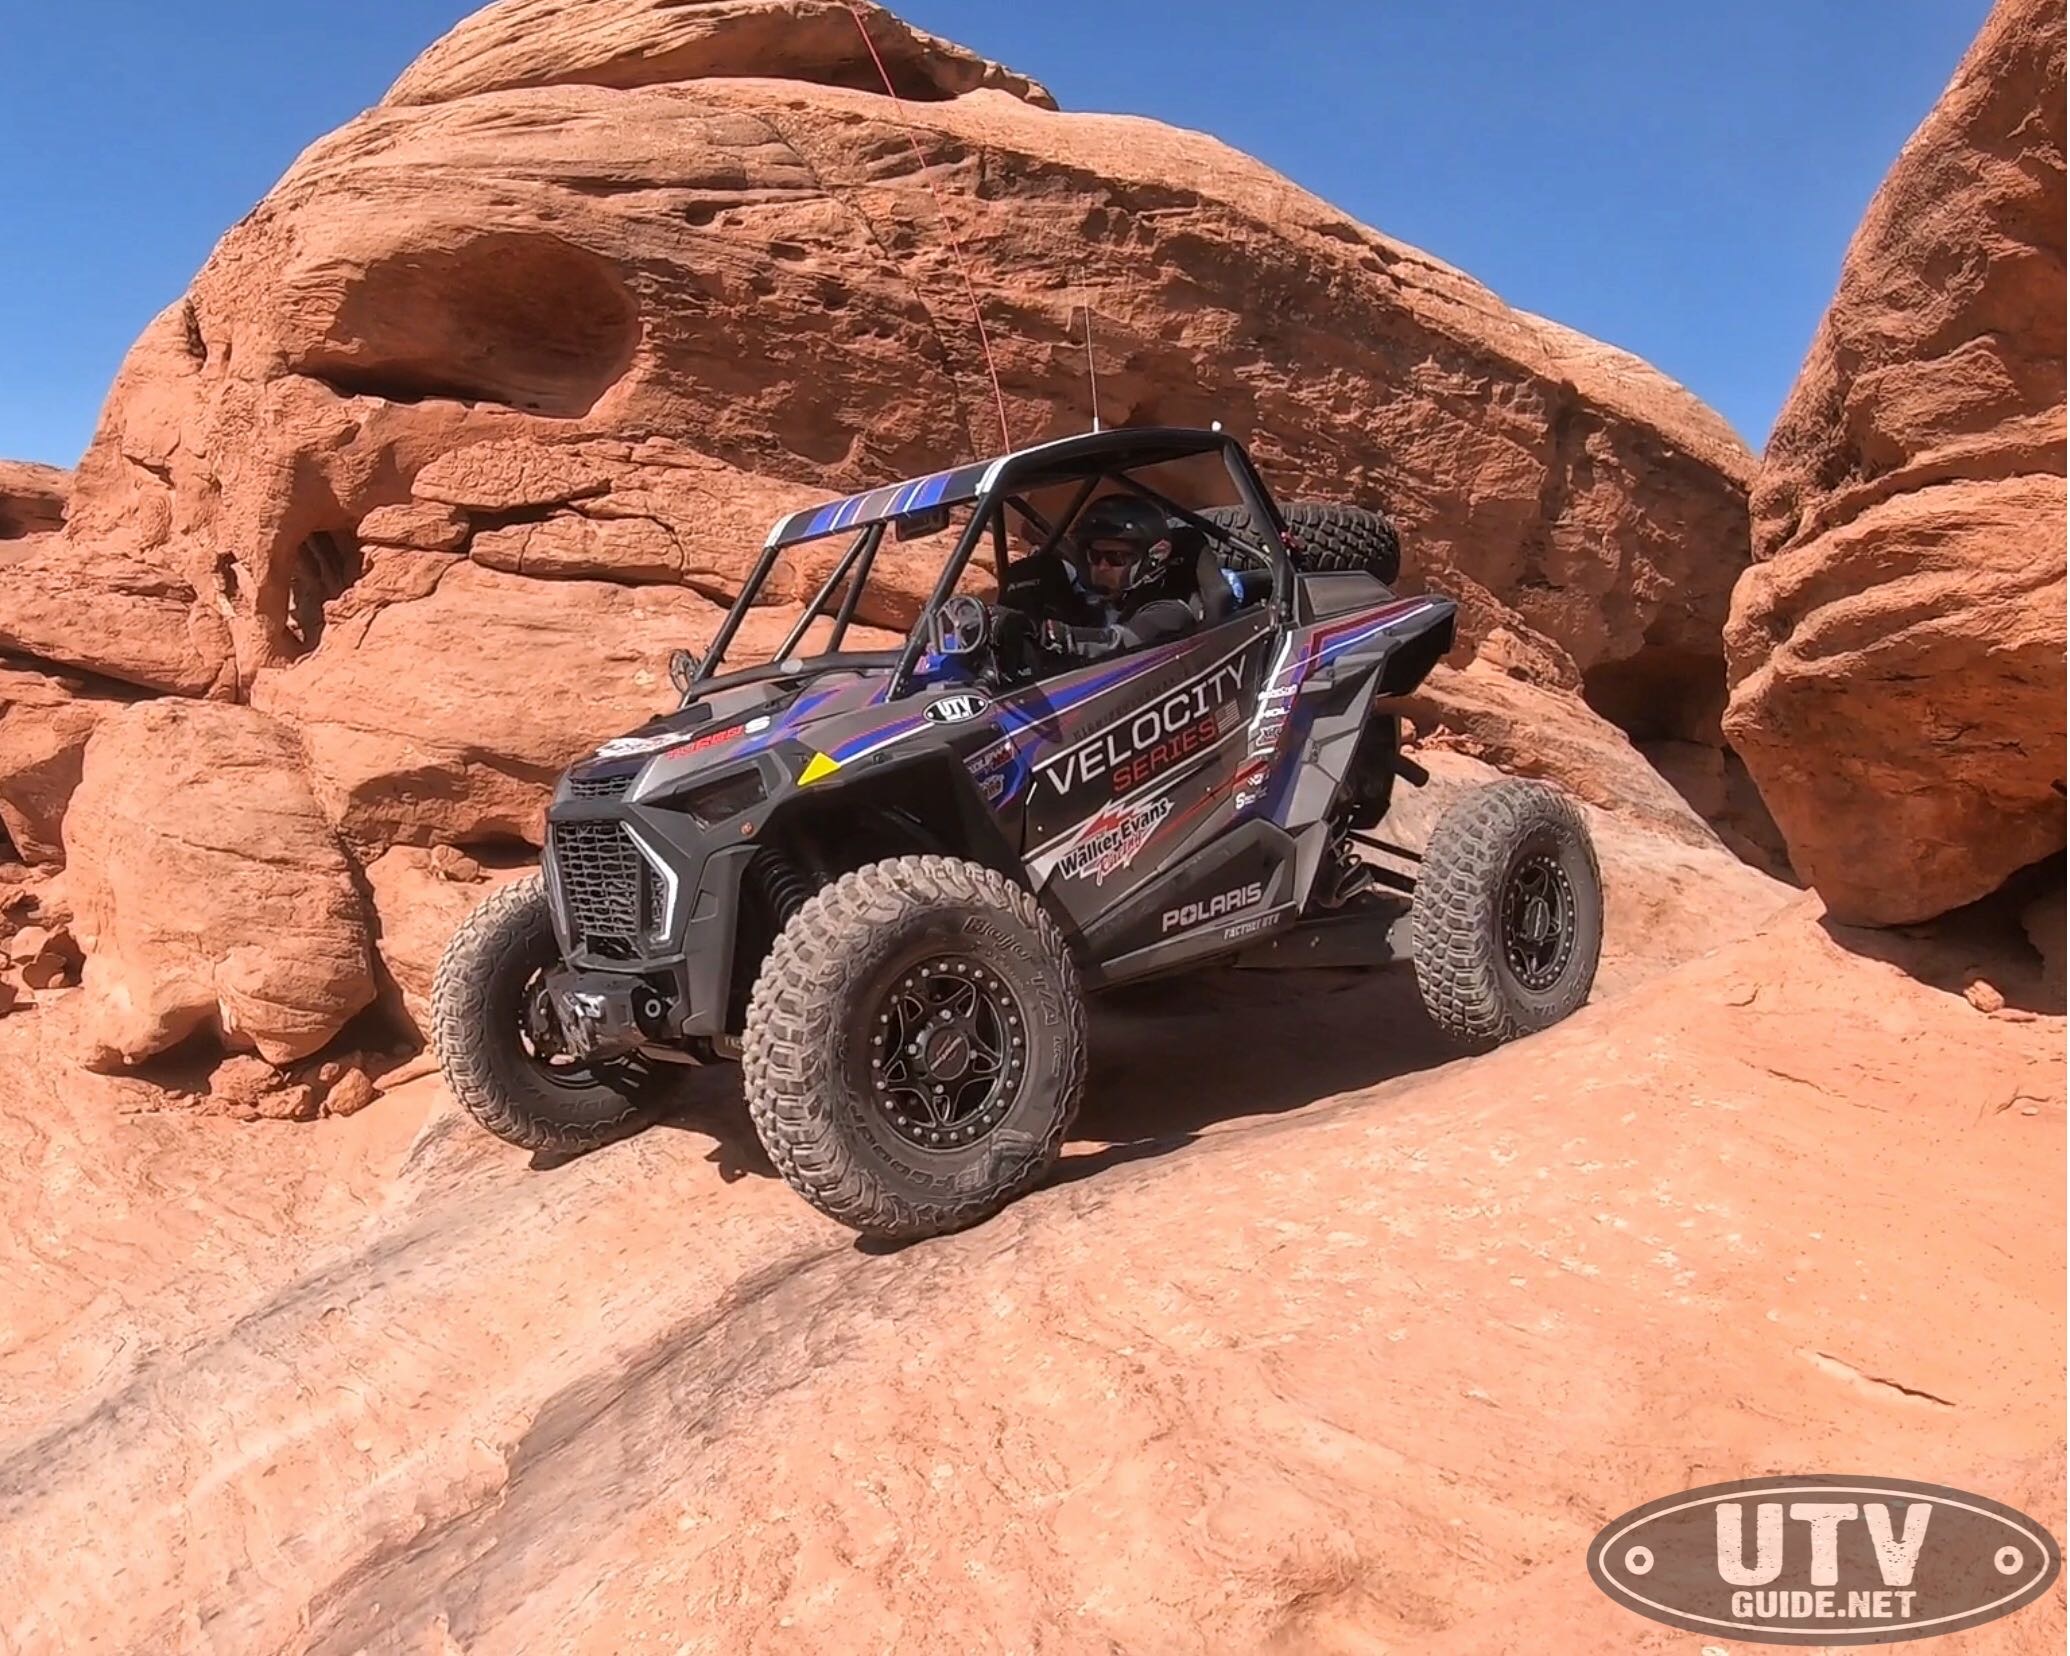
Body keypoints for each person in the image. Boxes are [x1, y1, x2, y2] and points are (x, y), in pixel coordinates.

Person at [998, 494, 1210, 667]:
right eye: (1095, 556)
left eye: (1116, 557)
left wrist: (1050, 634)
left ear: (1151, 559)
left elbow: (1118, 642)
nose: (1102, 567)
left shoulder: (1170, 612)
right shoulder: (1092, 607)